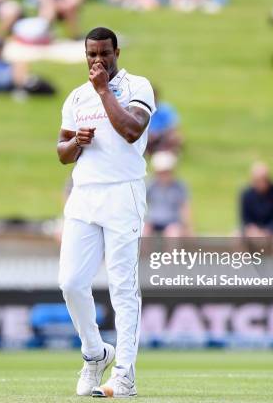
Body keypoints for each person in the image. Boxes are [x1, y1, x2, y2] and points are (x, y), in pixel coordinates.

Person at [57, 27, 155, 398]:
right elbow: (60, 151)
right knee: (70, 282)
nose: (97, 61)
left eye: (104, 53)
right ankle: (95, 354)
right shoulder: (76, 96)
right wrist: (75, 144)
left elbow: (132, 130)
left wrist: (103, 91)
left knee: (123, 287)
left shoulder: (137, 87)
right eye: (91, 55)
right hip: (84, 195)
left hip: (123, 192)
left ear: (117, 51)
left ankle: (125, 374)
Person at [144, 151, 192, 237]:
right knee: (144, 232)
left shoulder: (179, 186)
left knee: (172, 234)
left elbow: (185, 207)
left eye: (167, 171)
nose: (164, 175)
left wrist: (188, 227)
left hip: (172, 221)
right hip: (153, 221)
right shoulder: (150, 185)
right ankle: (143, 251)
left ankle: (170, 251)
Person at [240, 161, 273, 238]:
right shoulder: (246, 194)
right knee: (236, 236)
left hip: (272, 231)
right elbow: (245, 219)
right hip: (252, 231)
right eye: (256, 181)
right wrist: (253, 229)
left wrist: (268, 230)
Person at [146, 87, 182, 155]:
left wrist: (159, 133)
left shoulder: (165, 108)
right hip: (146, 137)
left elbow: (173, 125)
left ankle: (166, 151)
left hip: (162, 136)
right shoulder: (142, 110)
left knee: (175, 136)